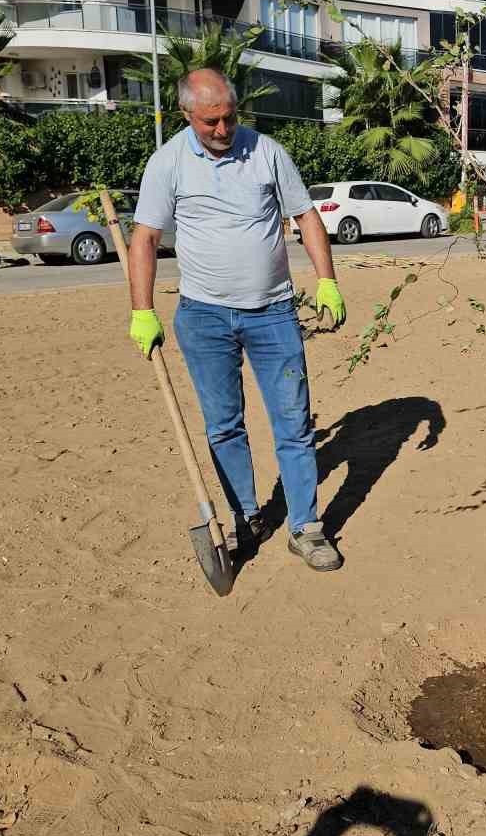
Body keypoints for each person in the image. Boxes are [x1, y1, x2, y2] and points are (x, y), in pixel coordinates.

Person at [127, 68, 346, 576]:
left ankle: (306, 527)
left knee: (293, 423)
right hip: (202, 317)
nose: (224, 130)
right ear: (186, 115)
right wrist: (142, 311)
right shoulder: (168, 163)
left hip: (273, 313)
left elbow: (305, 217)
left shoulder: (266, 152)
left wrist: (327, 280)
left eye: (229, 117)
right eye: (210, 122)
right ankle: (246, 517)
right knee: (224, 426)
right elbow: (144, 238)